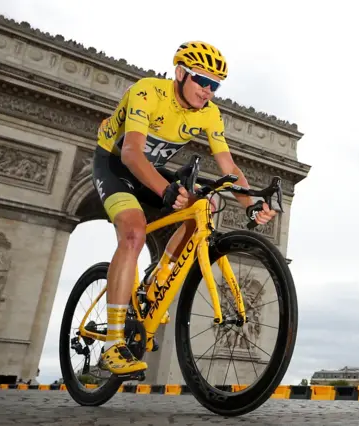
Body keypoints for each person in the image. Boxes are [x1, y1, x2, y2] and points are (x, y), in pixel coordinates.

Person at [92, 41, 277, 375]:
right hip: (115, 164)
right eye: (200, 81)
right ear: (180, 73)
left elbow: (229, 167)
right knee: (133, 233)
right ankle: (112, 344)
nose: (207, 91)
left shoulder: (210, 114)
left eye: (214, 85)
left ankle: (159, 274)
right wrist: (166, 191)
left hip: (149, 171)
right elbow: (132, 154)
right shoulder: (148, 92)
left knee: (205, 205)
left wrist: (252, 205)